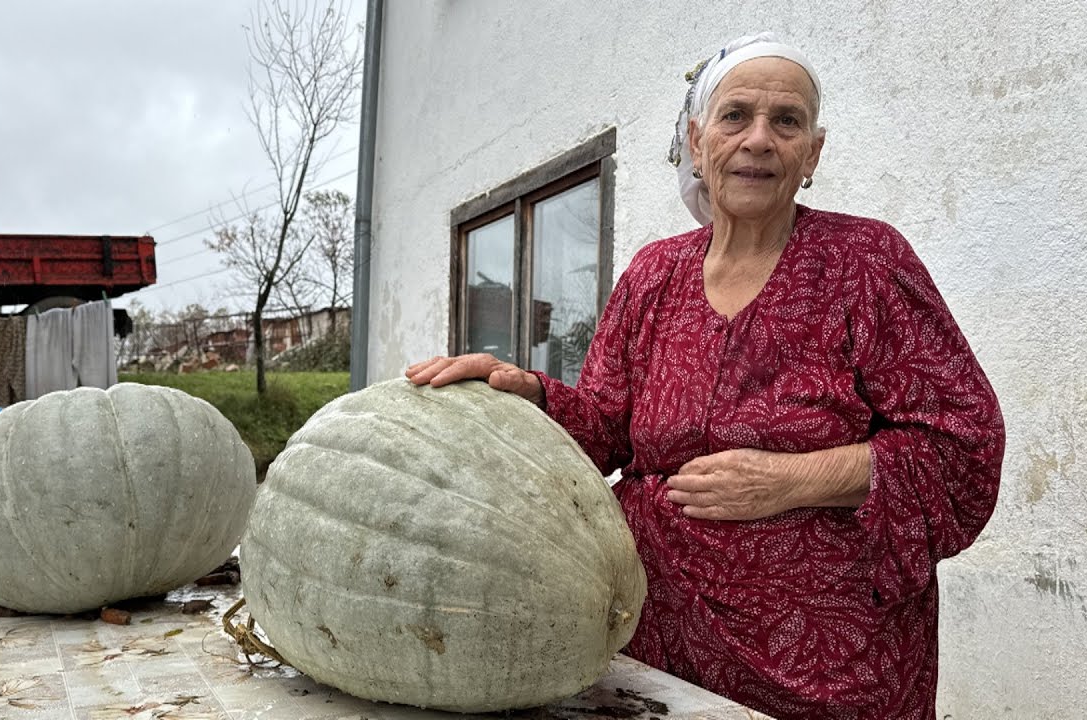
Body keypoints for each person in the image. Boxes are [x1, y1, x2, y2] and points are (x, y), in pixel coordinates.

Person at [407, 32, 1004, 720]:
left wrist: (789, 479)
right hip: (654, 644)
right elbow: (605, 427)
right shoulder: (653, 274)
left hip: (831, 669)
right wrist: (525, 390)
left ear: (812, 153)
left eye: (786, 122)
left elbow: (963, 446)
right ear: (697, 142)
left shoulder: (865, 263)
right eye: (735, 116)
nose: (759, 139)